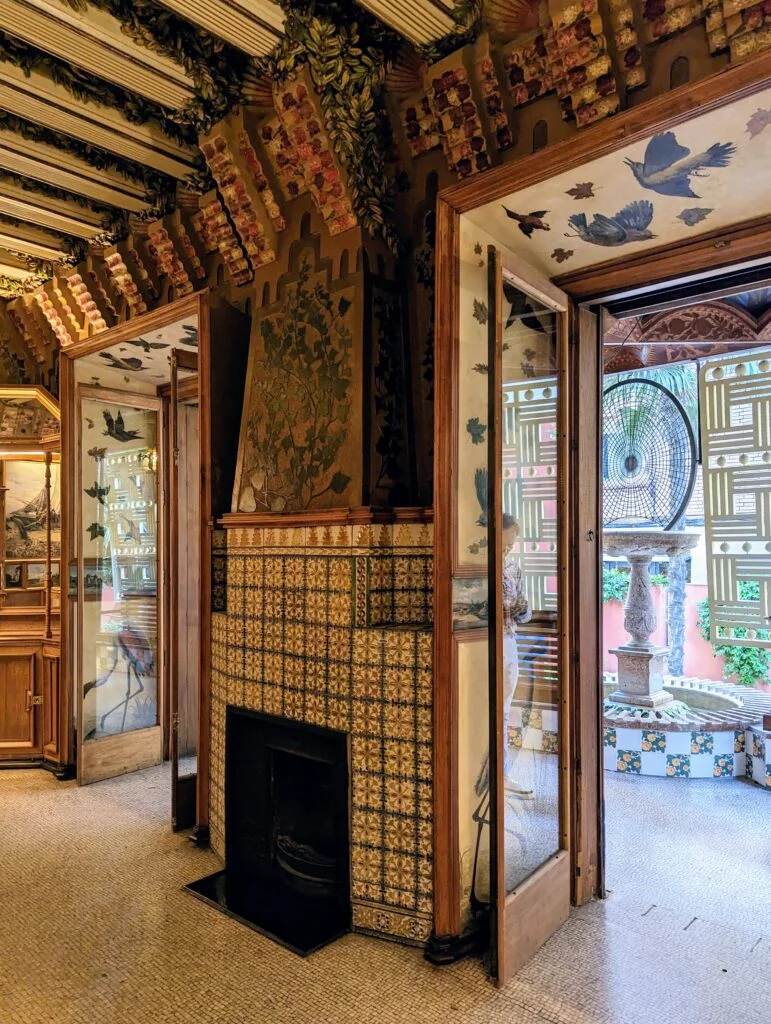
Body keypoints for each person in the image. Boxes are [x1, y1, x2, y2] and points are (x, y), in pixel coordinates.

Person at [501, 513, 533, 798]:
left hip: (508, 641)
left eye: (511, 544)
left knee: (504, 710)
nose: (508, 549)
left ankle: (502, 774)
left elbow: (526, 612)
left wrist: (521, 610)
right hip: (480, 644)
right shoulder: (476, 565)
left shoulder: (513, 568)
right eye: (505, 543)